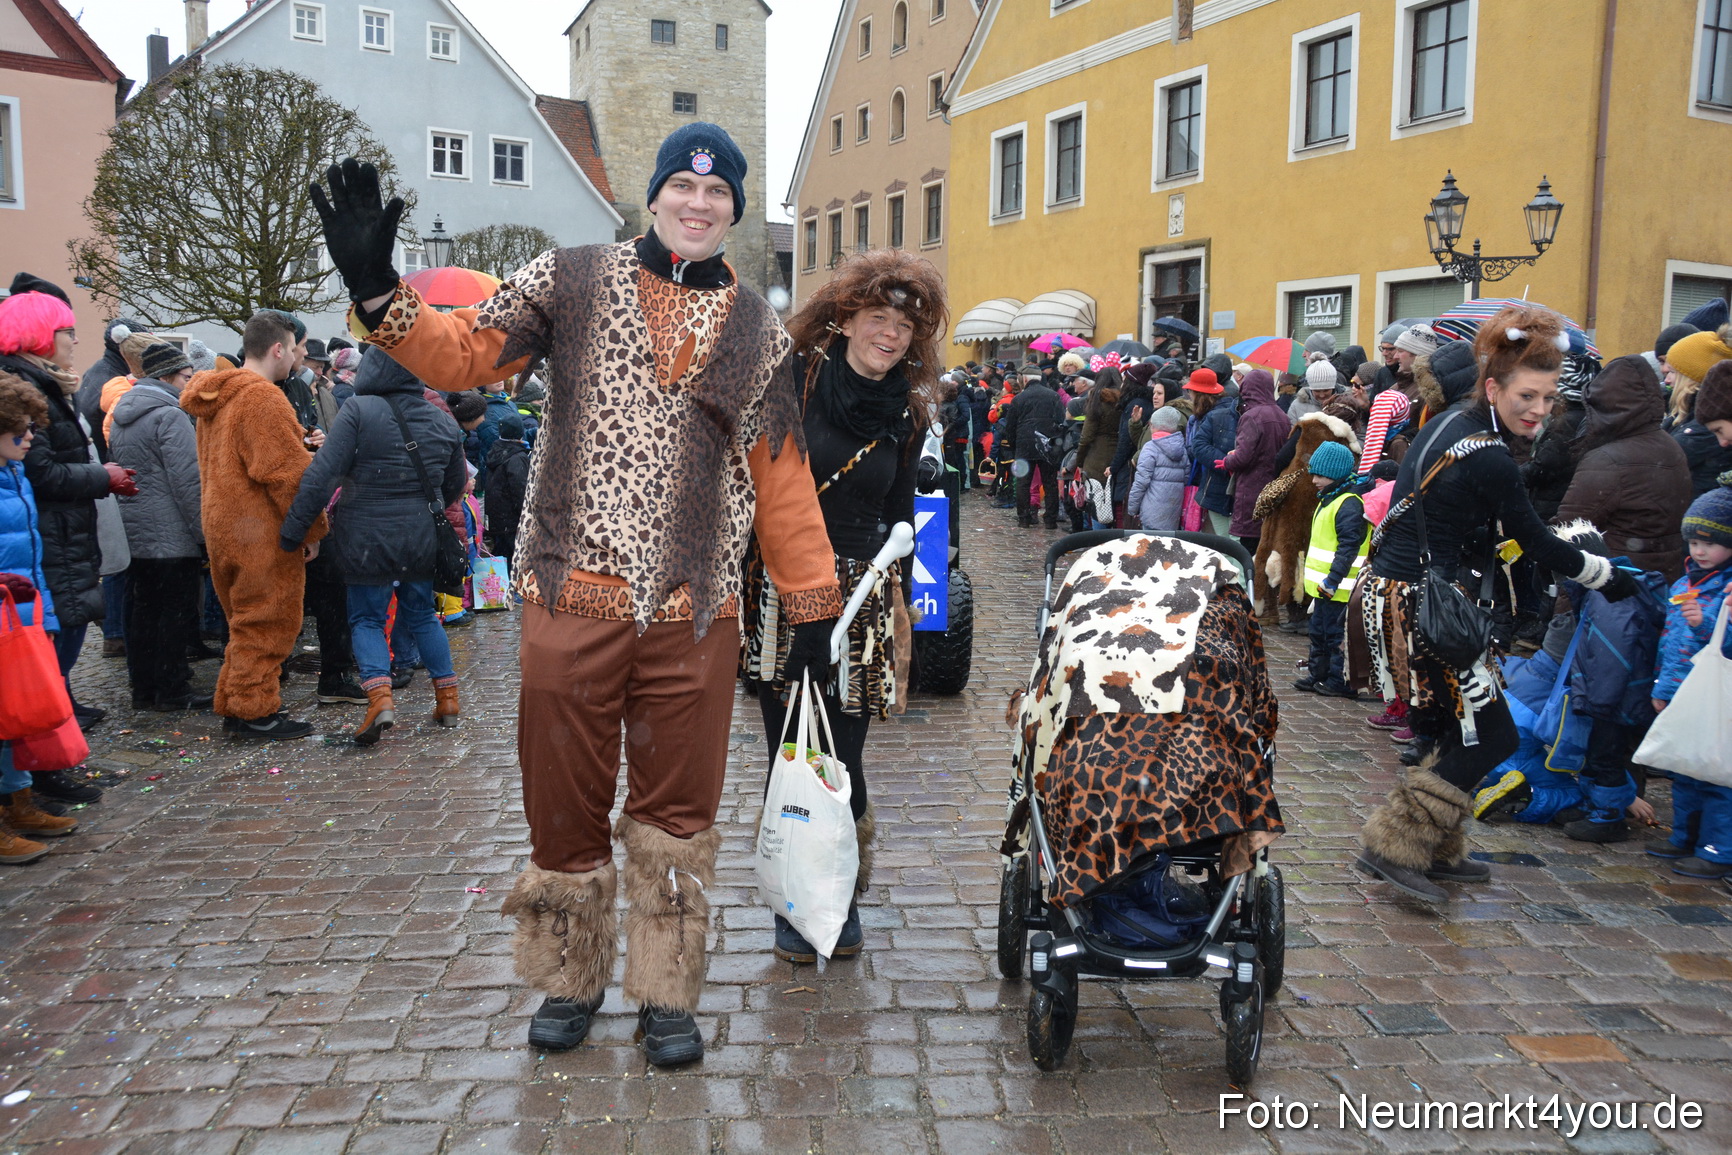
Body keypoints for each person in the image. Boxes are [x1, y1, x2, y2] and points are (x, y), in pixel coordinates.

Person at [310, 126, 841, 1067]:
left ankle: (666, 990)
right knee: (562, 799)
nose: (698, 203)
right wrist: (378, 291)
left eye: (717, 193)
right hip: (572, 590)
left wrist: (810, 604)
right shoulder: (572, 278)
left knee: (679, 811)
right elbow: (465, 353)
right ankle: (569, 975)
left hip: (696, 610)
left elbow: (783, 475)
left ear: (734, 209)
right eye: (683, 186)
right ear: (655, 193)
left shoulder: (760, 330)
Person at [1355, 307, 1641, 903]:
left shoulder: (1449, 422)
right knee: (1493, 736)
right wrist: (1605, 575)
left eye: (1548, 397)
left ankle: (1438, 848)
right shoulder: (1487, 454)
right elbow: (1537, 541)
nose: (1539, 409)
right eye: (1526, 396)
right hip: (1429, 608)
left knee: (1450, 727)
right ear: (1493, 389)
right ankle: (1395, 845)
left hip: (1400, 596)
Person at [741, 247, 942, 964]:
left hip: (862, 597)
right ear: (847, 317)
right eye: (879, 317)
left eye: (905, 327)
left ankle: (840, 888)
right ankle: (794, 894)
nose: (890, 334)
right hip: (786, 591)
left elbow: (900, 513)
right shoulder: (793, 383)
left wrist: (903, 602)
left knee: (845, 753)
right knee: (792, 747)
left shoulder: (907, 410)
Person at [279, 347, 466, 745]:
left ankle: (380, 700)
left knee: (366, 619)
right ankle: (447, 699)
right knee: (422, 615)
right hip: (421, 536)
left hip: (367, 536)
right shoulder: (439, 417)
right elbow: (453, 485)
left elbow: (322, 476)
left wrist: (293, 532)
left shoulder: (359, 410)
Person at [0, 279, 130, 792]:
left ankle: (45, 771)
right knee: (43, 662)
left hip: (59, 538)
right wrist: (102, 476)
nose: (75, 339)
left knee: (60, 653)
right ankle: (36, 778)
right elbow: (41, 471)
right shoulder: (23, 389)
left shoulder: (48, 384)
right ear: (39, 336)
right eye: (66, 330)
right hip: (45, 541)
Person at [182, 310, 327, 740]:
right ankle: (253, 711)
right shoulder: (262, 398)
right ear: (278, 349)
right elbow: (287, 476)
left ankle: (236, 703)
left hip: (223, 524)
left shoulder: (218, 395)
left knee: (244, 623)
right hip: (258, 528)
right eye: (295, 349)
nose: (298, 358)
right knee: (267, 622)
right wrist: (312, 529)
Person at [0, 373, 83, 861]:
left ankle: (19, 803)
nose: (30, 437)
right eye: (21, 429)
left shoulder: (14, 475)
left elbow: (31, 557)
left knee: (16, 718)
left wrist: (43, 615)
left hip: (21, 616)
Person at [107, 342, 209, 711]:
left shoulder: (123, 413)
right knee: (174, 613)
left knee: (143, 612)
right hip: (171, 535)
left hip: (136, 532)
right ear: (166, 377)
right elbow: (187, 482)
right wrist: (203, 535)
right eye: (185, 377)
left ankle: (145, 688)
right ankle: (173, 689)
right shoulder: (169, 415)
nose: (189, 384)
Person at [1647, 487, 1732, 879]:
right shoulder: (1682, 586)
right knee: (1683, 769)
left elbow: (1725, 646)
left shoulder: (1727, 591)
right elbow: (1668, 645)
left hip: (1716, 697)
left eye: (1710, 544)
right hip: (1681, 693)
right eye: (1695, 543)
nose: (1700, 551)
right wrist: (1661, 688)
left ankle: (1717, 850)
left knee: (1716, 775)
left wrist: (1706, 625)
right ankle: (1685, 836)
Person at [1553, 356, 1692, 583]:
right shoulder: (1671, 445)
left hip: (1613, 582)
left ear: (1603, 405)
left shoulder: (1607, 459)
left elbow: (1570, 528)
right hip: (1661, 578)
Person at [1293, 440, 1367, 697]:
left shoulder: (1348, 503)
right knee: (1319, 633)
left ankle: (1340, 681)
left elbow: (1348, 547)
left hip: (1340, 587)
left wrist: (1333, 579)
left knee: (1337, 637)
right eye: (1314, 474)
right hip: (1325, 587)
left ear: (1336, 475)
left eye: (1321, 475)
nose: (1314, 480)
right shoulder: (1329, 499)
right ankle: (1319, 674)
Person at [1217, 368, 1288, 562]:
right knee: (1267, 550)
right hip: (1274, 489)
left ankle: (1250, 583)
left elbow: (1243, 457)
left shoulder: (1251, 416)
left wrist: (1227, 461)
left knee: (1249, 553)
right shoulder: (1282, 415)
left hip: (1251, 490)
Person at [1662, 327, 1732, 494]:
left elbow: (1658, 460)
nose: (1667, 380)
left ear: (1694, 377)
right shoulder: (1689, 416)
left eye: (1673, 372)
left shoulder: (1709, 421)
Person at [1001, 365, 1065, 528]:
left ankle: (1024, 518)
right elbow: (1060, 421)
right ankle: (1050, 520)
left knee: (1023, 483)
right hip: (1047, 445)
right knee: (1050, 483)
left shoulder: (1019, 399)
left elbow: (1010, 426)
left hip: (1024, 446)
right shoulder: (1053, 396)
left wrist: (1014, 445)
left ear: (1024, 379)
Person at [1184, 368, 1235, 537]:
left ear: (1199, 394)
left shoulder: (1211, 416)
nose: (1189, 396)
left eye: (1190, 391)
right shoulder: (1229, 409)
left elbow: (1198, 448)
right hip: (1227, 483)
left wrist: (1227, 464)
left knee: (1225, 539)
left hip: (1218, 484)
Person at [1126, 406, 1187, 531]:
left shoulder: (1150, 448)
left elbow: (1141, 482)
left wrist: (1132, 508)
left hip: (1151, 513)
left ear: (1152, 426)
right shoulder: (1182, 449)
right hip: (1172, 513)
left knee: (1150, 542)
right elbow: (1186, 477)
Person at [1075, 365, 1122, 528]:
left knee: (1098, 505)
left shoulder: (1097, 400)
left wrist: (1079, 461)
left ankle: (1099, 538)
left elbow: (1086, 437)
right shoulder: (1124, 400)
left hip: (1096, 458)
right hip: (1119, 456)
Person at [483, 412, 530, 565]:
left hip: (497, 519)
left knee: (500, 558)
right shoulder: (517, 457)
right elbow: (520, 491)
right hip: (511, 521)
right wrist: (526, 515)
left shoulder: (495, 451)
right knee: (513, 559)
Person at [1287, 357, 1346, 424]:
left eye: (1326, 390)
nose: (1322, 395)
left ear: (1333, 388)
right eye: (1317, 391)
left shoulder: (1345, 405)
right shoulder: (1297, 405)